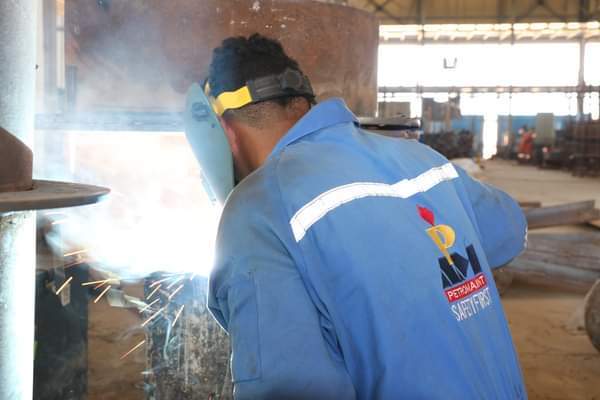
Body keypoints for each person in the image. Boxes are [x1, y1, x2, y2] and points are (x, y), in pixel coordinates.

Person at [205, 33, 528, 400]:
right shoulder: (426, 161)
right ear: (303, 102)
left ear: (225, 131)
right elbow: (509, 231)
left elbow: (286, 388)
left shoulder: (257, 208)